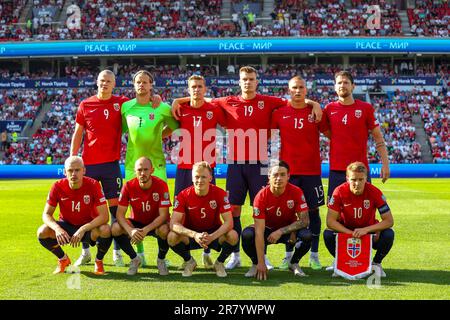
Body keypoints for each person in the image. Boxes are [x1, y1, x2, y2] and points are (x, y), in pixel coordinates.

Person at [172, 66, 322, 270]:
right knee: (234, 209)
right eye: (244, 79)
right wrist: (176, 100)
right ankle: (236, 255)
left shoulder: (267, 101)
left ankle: (264, 256)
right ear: (239, 82)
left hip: (260, 163)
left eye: (251, 79)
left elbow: (295, 100)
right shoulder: (227, 101)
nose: (248, 82)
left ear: (256, 81)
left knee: (261, 209)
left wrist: (313, 103)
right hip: (235, 163)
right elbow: (198, 98)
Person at [71, 69, 129, 267]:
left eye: (109, 81)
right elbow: (78, 133)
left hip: (111, 165)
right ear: (97, 82)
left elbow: (142, 102)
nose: (105, 84)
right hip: (89, 165)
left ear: (114, 84)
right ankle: (85, 251)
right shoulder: (85, 104)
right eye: (102, 80)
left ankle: (117, 251)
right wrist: (72, 159)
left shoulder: (121, 103)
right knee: (87, 210)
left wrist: (155, 97)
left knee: (115, 210)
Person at [271, 76, 329, 271]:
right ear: (289, 90)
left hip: (311, 171)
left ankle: (314, 255)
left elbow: (330, 133)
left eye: (301, 87)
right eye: (294, 87)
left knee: (313, 212)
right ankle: (288, 256)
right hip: (289, 173)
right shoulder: (280, 112)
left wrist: (316, 104)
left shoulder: (315, 112)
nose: (297, 90)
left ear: (306, 89)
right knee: (290, 213)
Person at [121, 69, 179, 264]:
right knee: (133, 211)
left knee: (162, 211)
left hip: (158, 165)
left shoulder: (161, 107)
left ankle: (162, 257)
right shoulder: (126, 107)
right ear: (134, 85)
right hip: (131, 166)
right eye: (138, 82)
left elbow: (175, 125)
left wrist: (160, 135)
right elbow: (119, 128)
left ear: (151, 85)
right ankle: (140, 253)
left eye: (145, 82)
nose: (142, 85)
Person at [173, 74, 226, 268]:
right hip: (184, 168)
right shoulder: (180, 109)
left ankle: (207, 251)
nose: (196, 89)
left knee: (210, 212)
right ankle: (188, 259)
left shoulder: (214, 109)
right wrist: (177, 101)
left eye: (200, 86)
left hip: (206, 168)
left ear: (205, 89)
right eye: (193, 86)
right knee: (182, 212)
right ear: (188, 89)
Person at [322, 71, 390, 205]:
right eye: (339, 83)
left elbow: (378, 138)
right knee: (334, 211)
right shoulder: (329, 109)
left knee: (364, 211)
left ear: (353, 86)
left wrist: (385, 164)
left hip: (360, 170)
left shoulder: (365, 108)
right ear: (335, 87)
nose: (342, 85)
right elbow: (329, 134)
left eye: (346, 82)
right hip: (337, 169)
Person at [36, 156, 112, 275]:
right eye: (70, 170)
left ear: (84, 171)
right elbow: (46, 214)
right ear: (65, 172)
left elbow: (104, 216)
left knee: (106, 229)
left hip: (88, 227)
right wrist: (58, 229)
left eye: (77, 170)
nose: (74, 174)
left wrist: (83, 229)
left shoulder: (94, 184)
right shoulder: (57, 186)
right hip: (66, 226)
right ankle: (63, 259)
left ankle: (99, 261)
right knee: (42, 231)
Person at [242, 160, 312, 280]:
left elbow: (305, 221)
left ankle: (294, 263)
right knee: (247, 235)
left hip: (287, 232)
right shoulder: (261, 196)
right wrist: (261, 262)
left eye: (282, 175)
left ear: (288, 176)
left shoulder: (296, 191)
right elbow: (259, 232)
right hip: (266, 231)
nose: (279, 178)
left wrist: (281, 231)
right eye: (275, 175)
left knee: (307, 235)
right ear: (269, 176)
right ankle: (255, 264)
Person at [323, 161, 394, 278]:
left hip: (368, 232)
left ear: (366, 178)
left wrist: (366, 230)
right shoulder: (339, 191)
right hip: (346, 231)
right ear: (347, 178)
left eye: (361, 180)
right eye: (353, 179)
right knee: (327, 234)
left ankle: (376, 264)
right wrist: (350, 233)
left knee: (388, 234)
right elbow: (330, 221)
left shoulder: (374, 192)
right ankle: (339, 261)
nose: (357, 183)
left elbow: (389, 221)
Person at [168, 161, 238, 277]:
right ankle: (189, 261)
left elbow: (229, 222)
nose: (200, 180)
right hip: (192, 235)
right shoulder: (183, 195)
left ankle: (219, 263)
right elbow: (173, 223)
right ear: (191, 177)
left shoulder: (220, 193)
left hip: (213, 234)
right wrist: (195, 235)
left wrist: (212, 237)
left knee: (233, 235)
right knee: (171, 237)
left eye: (203, 177)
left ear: (210, 178)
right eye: (196, 177)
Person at [111, 157, 171, 276]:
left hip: (156, 223)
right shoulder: (128, 186)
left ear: (152, 170)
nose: (142, 173)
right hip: (136, 222)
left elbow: (164, 215)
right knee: (115, 228)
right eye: (139, 170)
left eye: (145, 169)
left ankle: (161, 260)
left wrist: (146, 230)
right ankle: (134, 259)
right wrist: (131, 230)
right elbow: (119, 214)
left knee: (165, 230)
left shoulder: (161, 185)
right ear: (135, 171)